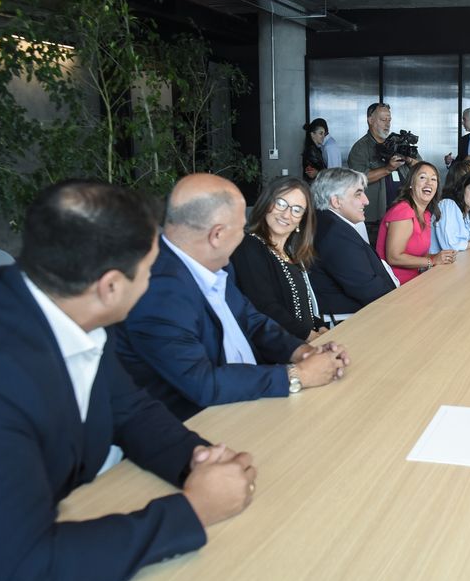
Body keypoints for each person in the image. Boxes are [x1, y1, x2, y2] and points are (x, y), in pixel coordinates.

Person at [0, 180, 257, 581]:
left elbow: (131, 410)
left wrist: (197, 460)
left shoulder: (61, 301)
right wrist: (193, 511)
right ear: (110, 286)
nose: (154, 279)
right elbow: (23, 577)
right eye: (150, 268)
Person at [116, 173, 350, 421]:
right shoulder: (157, 291)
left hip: (252, 394)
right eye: (240, 228)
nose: (244, 236)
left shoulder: (216, 264)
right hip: (211, 420)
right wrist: (297, 375)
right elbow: (202, 383)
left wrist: (302, 352)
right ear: (217, 235)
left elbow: (252, 320)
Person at [230, 176, 327, 341]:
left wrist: (320, 326)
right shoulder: (249, 246)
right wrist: (309, 335)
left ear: (302, 219)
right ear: (266, 203)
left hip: (302, 341)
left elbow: (300, 307)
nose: (286, 214)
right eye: (281, 203)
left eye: (297, 209)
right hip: (278, 348)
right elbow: (264, 306)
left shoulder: (290, 253)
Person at [308, 167, 398, 321]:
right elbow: (368, 290)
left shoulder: (327, 222)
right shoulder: (335, 234)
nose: (366, 201)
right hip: (354, 320)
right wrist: (401, 304)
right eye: (358, 194)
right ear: (336, 201)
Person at [347, 102, 417, 246]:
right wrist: (387, 169)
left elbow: (422, 167)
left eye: (389, 119)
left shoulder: (397, 143)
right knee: (376, 255)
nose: (387, 124)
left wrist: (409, 160)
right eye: (383, 119)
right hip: (375, 220)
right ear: (370, 120)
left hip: (404, 215)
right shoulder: (360, 148)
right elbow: (358, 179)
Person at [376, 161, 456, 284]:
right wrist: (432, 261)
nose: (429, 183)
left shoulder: (426, 214)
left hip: (416, 280)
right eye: (422, 177)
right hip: (396, 285)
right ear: (411, 184)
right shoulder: (403, 211)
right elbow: (394, 257)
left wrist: (440, 256)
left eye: (433, 179)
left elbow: (418, 255)